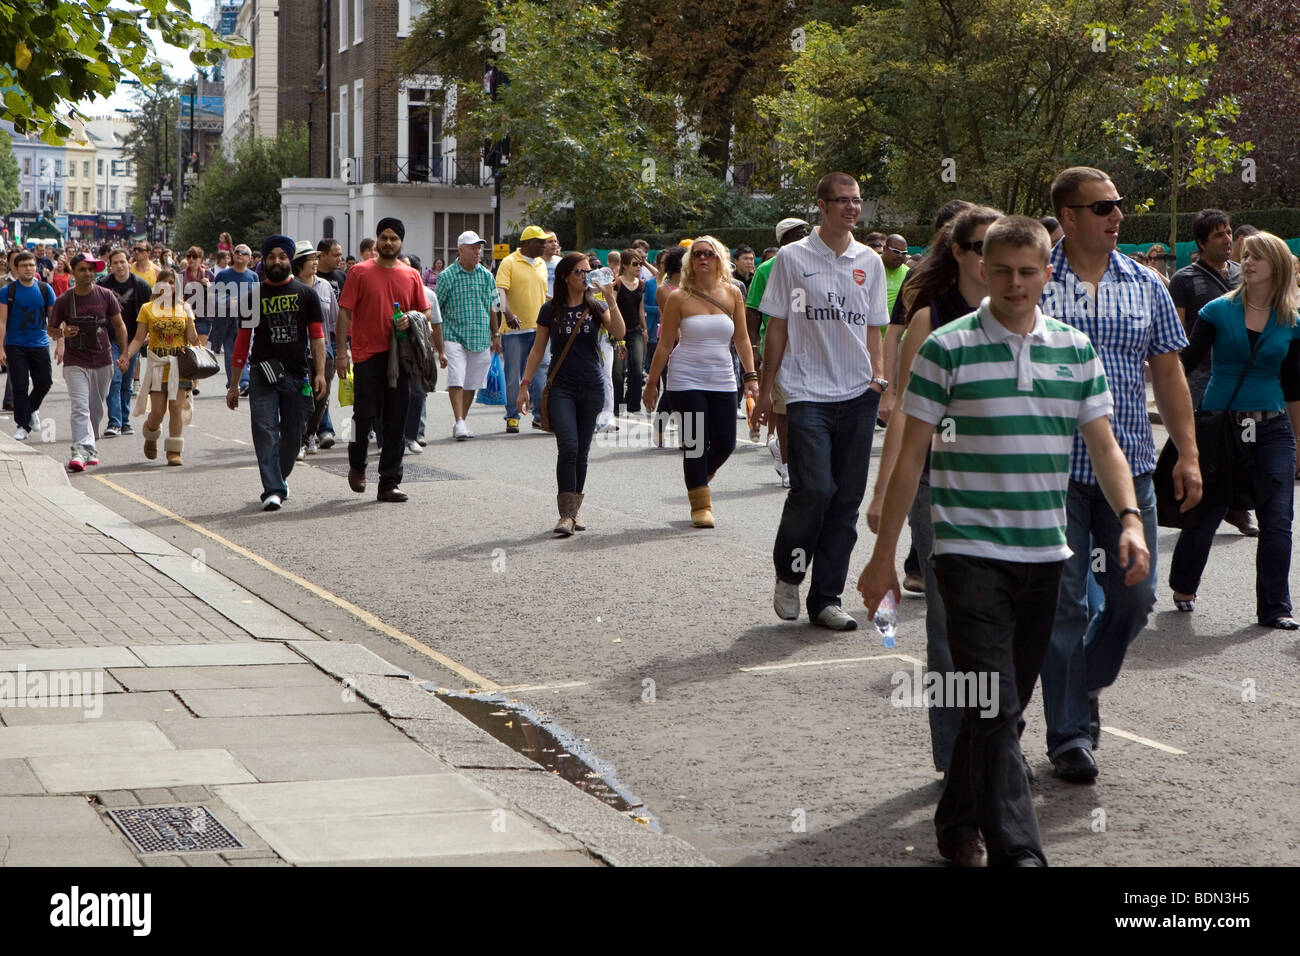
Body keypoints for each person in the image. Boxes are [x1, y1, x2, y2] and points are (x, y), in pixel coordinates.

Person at [858, 215, 1149, 867]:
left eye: (1029, 272)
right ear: (982, 272)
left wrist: (1129, 517)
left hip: (1044, 554)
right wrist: (881, 558)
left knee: (1003, 707)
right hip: (967, 554)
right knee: (991, 699)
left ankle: (957, 820)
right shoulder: (946, 347)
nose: (1016, 284)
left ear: (1048, 274)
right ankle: (1020, 848)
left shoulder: (1074, 349)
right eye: (1004, 271)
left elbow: (1105, 446)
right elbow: (910, 458)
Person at [1038, 166, 1200, 783]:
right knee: (1064, 606)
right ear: (1070, 216)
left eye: (1119, 205)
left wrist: (1186, 453)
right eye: (1103, 207)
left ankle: (1083, 683)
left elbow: (1169, 374)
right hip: (1050, 471)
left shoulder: (1146, 284)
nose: (1117, 216)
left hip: (1127, 465)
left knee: (1136, 597)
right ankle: (1069, 735)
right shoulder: (1036, 282)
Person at [866, 203, 1002, 774]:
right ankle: (957, 761)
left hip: (1011, 490)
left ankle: (997, 741)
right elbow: (906, 418)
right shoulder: (932, 316)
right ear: (958, 253)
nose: (991, 261)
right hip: (939, 489)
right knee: (948, 629)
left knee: (1009, 630)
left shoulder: (1031, 313)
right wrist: (882, 495)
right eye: (978, 249)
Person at [755, 172, 890, 631]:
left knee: (846, 500)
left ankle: (827, 598)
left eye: (857, 201)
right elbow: (777, 328)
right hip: (805, 390)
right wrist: (764, 389)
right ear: (822, 206)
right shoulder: (791, 259)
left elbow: (875, 327)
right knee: (814, 489)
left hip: (859, 393)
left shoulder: (868, 261)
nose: (852, 208)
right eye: (843, 201)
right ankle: (790, 573)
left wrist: (879, 379)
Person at [1170, 231, 1300, 627]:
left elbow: (1294, 387)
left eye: (1257, 257)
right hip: (1220, 423)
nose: (1247, 262)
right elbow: (1184, 364)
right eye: (1245, 256)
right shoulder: (1216, 311)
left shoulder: (1292, 321)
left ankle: (1275, 607)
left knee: (1278, 517)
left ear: (1276, 266)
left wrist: (1299, 442)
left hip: (1272, 426)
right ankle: (1183, 583)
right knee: (1208, 510)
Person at [643, 235, 758, 527]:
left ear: (719, 258)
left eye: (708, 253)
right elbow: (665, 344)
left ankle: (697, 478)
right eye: (696, 255)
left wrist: (751, 376)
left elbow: (742, 338)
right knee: (695, 442)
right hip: (685, 378)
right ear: (689, 262)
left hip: (722, 377)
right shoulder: (678, 297)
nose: (702, 258)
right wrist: (652, 383)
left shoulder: (733, 293)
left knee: (726, 442)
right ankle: (701, 507)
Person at [518, 252, 625, 535]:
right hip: (561, 387)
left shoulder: (597, 305)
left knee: (582, 453)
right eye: (580, 272)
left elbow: (619, 330)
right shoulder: (550, 309)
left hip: (591, 387)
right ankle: (566, 514)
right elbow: (538, 349)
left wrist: (610, 297)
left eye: (588, 272)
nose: (585, 277)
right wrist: (525, 385)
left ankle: (574, 511)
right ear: (565, 276)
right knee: (568, 447)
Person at [336, 217, 433, 502]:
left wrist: (411, 318)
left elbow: (425, 313)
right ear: (377, 241)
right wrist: (342, 354)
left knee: (395, 420)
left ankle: (389, 482)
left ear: (401, 242)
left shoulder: (411, 275)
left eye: (394, 238)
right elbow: (344, 313)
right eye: (384, 237)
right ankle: (357, 464)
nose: (389, 242)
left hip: (400, 358)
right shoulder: (360, 273)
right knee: (363, 416)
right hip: (367, 356)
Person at [227, 236, 327, 510]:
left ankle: (279, 478)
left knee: (294, 435)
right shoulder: (253, 296)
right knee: (265, 432)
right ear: (264, 261)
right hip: (262, 375)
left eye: (282, 256)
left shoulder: (306, 295)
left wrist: (319, 373)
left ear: (290, 261)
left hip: (296, 375)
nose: (277, 261)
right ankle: (272, 489)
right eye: (271, 256)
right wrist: (234, 384)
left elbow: (317, 337)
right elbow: (242, 340)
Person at [48, 252, 129, 472]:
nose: (88, 273)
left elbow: (120, 325)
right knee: (80, 406)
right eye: (83, 269)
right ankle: (80, 450)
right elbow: (51, 329)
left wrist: (124, 353)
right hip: (75, 362)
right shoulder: (65, 300)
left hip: (103, 359)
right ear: (73, 272)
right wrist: (63, 331)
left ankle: (90, 446)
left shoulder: (106, 295)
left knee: (95, 408)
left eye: (91, 269)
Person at [745, 217, 810, 473]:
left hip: (809, 346)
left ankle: (794, 454)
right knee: (783, 408)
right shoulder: (766, 269)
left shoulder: (814, 263)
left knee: (804, 407)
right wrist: (754, 347)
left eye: (806, 232)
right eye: (798, 233)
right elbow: (752, 311)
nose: (805, 237)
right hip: (778, 346)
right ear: (784, 240)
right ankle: (785, 463)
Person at [123, 267, 198, 465]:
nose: (168, 286)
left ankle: (174, 452)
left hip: (179, 365)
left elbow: (193, 340)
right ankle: (151, 434)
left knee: (175, 407)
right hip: (158, 365)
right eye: (164, 282)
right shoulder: (147, 308)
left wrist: (190, 321)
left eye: (172, 282)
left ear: (177, 286)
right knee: (156, 411)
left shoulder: (184, 308)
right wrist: (126, 356)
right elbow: (139, 339)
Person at [436, 230, 499, 440]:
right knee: (456, 378)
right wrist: (437, 342)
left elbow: (493, 306)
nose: (477, 252)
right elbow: (437, 308)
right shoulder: (447, 276)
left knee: (472, 382)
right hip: (454, 335)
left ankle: (461, 420)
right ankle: (459, 422)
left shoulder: (486, 275)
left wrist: (496, 333)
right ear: (460, 250)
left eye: (478, 248)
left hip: (480, 336)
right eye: (472, 248)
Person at [496, 225, 550, 432]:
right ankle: (512, 415)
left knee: (540, 374)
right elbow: (500, 291)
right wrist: (507, 313)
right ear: (528, 243)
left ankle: (540, 416)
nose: (544, 245)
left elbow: (542, 294)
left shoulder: (541, 264)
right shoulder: (509, 262)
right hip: (514, 331)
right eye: (540, 241)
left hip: (539, 329)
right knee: (514, 376)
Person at [97, 248, 153, 438]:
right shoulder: (103, 285)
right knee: (115, 379)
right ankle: (114, 422)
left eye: (122, 262)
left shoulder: (141, 286)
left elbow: (152, 312)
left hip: (133, 341)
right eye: (115, 263)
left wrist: (148, 334)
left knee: (127, 382)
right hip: (110, 340)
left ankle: (125, 420)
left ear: (128, 262)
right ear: (110, 265)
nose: (119, 266)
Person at [0, 251, 56, 439]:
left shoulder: (45, 289)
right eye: (24, 265)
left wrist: (62, 342)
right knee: (19, 386)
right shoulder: (8, 291)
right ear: (16, 268)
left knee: (45, 382)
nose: (28, 269)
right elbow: (2, 322)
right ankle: (22, 425)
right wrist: (1, 347)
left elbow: (55, 320)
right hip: (16, 344)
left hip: (40, 343)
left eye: (31, 265)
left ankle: (32, 409)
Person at [293, 241, 339, 458]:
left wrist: (342, 349)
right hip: (298, 351)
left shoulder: (325, 286)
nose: (315, 263)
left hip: (324, 350)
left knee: (322, 396)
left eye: (316, 258)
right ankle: (300, 439)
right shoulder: (291, 287)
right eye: (311, 259)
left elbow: (334, 320)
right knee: (304, 396)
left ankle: (312, 433)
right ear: (300, 263)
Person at [214, 243, 257, 396]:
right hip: (227, 321)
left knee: (245, 350)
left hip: (246, 320)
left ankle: (244, 382)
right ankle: (233, 382)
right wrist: (226, 302)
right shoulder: (223, 275)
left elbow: (256, 299)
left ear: (249, 258)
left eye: (243, 253)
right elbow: (214, 297)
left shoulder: (253, 276)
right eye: (237, 251)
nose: (239, 254)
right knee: (230, 353)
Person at [612, 248, 647, 418]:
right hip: (619, 332)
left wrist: (645, 328)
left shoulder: (641, 284)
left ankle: (634, 405)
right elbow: (612, 307)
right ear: (625, 265)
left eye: (640, 263)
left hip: (635, 330)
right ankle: (617, 406)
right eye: (635, 264)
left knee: (637, 367)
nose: (639, 267)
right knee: (618, 370)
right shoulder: (617, 283)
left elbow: (640, 309)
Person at [180, 246, 214, 393]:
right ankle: (188, 379)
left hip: (204, 316)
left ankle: (195, 382)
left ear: (201, 259)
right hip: (186, 317)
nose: (191, 260)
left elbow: (217, 296)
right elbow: (177, 296)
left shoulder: (209, 274)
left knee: (198, 349)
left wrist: (209, 286)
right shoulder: (181, 275)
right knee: (187, 349)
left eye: (195, 257)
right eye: (189, 257)